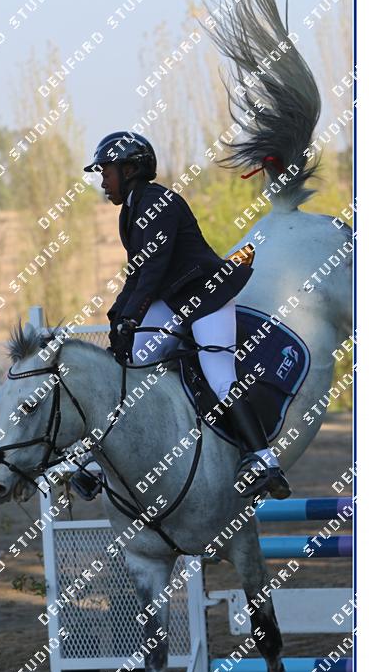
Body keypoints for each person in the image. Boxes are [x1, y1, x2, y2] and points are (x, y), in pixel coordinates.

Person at [72, 131, 290, 502]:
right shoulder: (130, 211)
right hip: (174, 299)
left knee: (220, 376)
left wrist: (133, 316)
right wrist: (118, 317)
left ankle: (265, 461)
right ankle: (101, 461)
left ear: (129, 169)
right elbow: (136, 274)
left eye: (106, 172)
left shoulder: (159, 203)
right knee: (131, 364)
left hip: (207, 295)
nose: (103, 182)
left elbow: (153, 269)